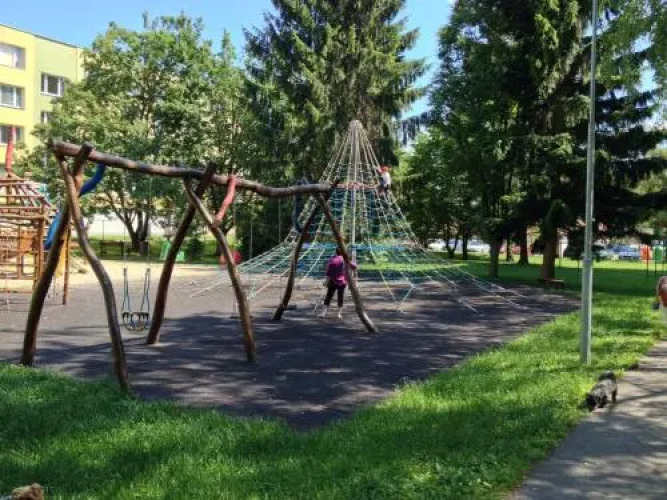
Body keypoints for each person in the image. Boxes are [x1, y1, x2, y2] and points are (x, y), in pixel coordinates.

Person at [320, 247, 357, 318]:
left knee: (328, 296)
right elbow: (354, 266)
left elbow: (329, 273)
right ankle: (338, 314)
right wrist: (351, 261)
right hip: (342, 282)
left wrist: (326, 282)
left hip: (332, 281)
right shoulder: (346, 260)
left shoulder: (332, 259)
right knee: (340, 297)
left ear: (336, 252)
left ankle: (324, 313)